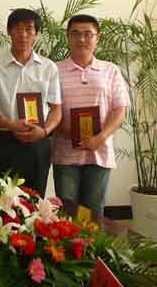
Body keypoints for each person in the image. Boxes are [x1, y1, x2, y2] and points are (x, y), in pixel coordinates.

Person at [52, 14, 129, 217]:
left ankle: (91, 240)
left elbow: (120, 110)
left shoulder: (110, 70)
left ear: (97, 38)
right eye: (75, 34)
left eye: (88, 34)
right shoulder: (54, 70)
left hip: (99, 153)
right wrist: (69, 131)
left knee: (93, 213)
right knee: (67, 213)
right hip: (65, 153)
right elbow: (49, 109)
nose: (82, 39)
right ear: (68, 37)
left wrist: (100, 137)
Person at [0, 8, 61, 196]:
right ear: (9, 31)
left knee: (35, 200)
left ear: (36, 34)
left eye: (29, 29)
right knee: (1, 199)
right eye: (18, 28)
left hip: (39, 142)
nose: (23, 34)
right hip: (6, 141)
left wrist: (44, 131)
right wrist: (11, 125)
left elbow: (56, 109)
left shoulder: (48, 67)